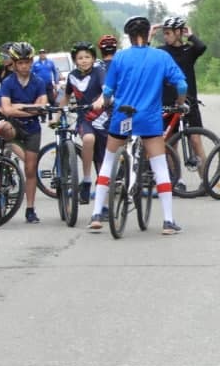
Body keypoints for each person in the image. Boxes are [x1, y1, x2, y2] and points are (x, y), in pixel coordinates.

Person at [87, 16, 188, 234]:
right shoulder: (161, 57)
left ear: (130, 37)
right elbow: (181, 84)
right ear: (147, 35)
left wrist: (104, 104)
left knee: (108, 161)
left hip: (123, 117)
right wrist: (180, 104)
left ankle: (96, 214)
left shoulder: (120, 58)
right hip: (149, 119)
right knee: (160, 166)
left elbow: (107, 92)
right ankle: (168, 221)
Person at [0, 41, 49, 224]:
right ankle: (4, 157)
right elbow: (6, 110)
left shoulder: (39, 82)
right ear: (14, 63)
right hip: (15, 125)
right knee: (3, 127)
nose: (24, 66)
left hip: (33, 129)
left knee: (30, 169)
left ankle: (30, 209)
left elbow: (42, 107)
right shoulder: (8, 82)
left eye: (27, 62)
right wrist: (29, 108)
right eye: (20, 63)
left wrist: (19, 106)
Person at [155, 16, 208, 167]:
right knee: (171, 144)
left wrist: (189, 34)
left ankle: (205, 182)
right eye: (164, 33)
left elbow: (201, 47)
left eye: (168, 33)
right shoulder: (161, 51)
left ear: (178, 32)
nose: (165, 36)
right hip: (168, 102)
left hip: (188, 102)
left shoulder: (189, 50)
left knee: (196, 141)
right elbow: (145, 55)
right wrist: (150, 35)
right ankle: (178, 180)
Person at [59, 41, 106, 203]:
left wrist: (100, 100)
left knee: (102, 161)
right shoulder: (72, 76)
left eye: (87, 57)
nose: (84, 60)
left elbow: (106, 89)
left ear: (93, 59)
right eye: (80, 58)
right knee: (88, 139)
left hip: (102, 119)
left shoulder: (99, 72)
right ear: (75, 60)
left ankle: (104, 204)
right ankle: (86, 179)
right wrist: (57, 115)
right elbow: (66, 96)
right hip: (84, 118)